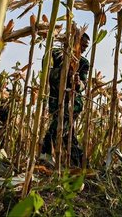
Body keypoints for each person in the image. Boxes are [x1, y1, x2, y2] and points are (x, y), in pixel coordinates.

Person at [41, 33, 90, 167]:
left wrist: (77, 83)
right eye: (83, 45)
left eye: (86, 46)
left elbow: (83, 84)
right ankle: (81, 164)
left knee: (57, 129)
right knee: (66, 134)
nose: (85, 49)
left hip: (73, 105)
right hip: (56, 101)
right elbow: (46, 74)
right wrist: (63, 73)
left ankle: (44, 156)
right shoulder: (55, 55)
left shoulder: (84, 62)